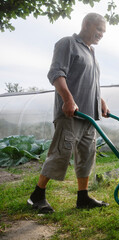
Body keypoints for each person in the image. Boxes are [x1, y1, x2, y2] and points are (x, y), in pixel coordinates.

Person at [27, 13, 110, 213]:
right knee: (59, 154)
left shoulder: (92, 53)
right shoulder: (68, 44)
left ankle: (83, 197)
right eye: (99, 29)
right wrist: (68, 100)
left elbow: (91, 84)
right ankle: (36, 196)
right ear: (87, 24)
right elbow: (56, 73)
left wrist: (101, 101)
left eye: (103, 32)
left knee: (87, 156)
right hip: (71, 114)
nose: (101, 35)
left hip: (90, 117)